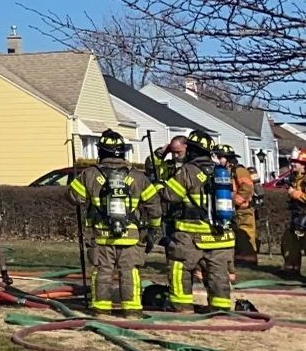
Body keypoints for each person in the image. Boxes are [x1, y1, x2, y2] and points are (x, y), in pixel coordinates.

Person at [68, 129, 161, 317]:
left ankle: (101, 309)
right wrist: (153, 229)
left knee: (102, 272)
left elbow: (73, 197)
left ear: (101, 151)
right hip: (130, 237)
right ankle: (133, 310)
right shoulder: (138, 177)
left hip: (102, 236)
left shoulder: (90, 174)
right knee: (129, 272)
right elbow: (154, 206)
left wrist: (74, 181)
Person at [160, 130, 236, 312]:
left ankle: (182, 306)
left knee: (180, 268)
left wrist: (159, 186)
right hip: (221, 235)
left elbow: (171, 195)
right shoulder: (221, 171)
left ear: (192, 149)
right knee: (218, 274)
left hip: (192, 235)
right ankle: (221, 309)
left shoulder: (189, 171)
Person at [228, 147, 260, 266]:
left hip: (244, 210)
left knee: (246, 234)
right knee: (239, 236)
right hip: (238, 210)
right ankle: (241, 260)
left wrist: (235, 202)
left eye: (221, 157)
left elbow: (247, 187)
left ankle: (249, 261)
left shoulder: (239, 170)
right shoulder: (230, 171)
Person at [283, 154, 306, 278]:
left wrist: (294, 193)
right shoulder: (295, 178)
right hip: (298, 217)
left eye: (296, 162)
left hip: (304, 218)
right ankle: (292, 271)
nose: (293, 164)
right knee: (290, 244)